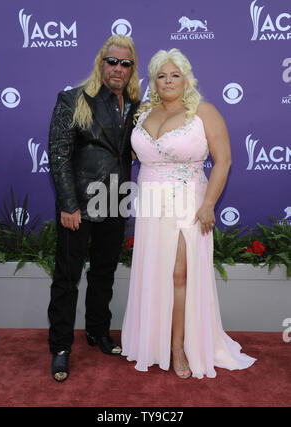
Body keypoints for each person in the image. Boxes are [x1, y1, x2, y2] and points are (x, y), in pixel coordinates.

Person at [121, 48, 256, 379]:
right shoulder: (141, 114)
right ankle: (153, 341)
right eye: (161, 75)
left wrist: (208, 203)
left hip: (189, 204)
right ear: (153, 81)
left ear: (186, 79)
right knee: (154, 273)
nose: (168, 81)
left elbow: (223, 161)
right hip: (151, 205)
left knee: (180, 274)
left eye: (174, 75)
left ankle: (179, 346)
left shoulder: (204, 112)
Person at [47, 35, 140, 382]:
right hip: (80, 206)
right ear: (101, 62)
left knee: (104, 273)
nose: (118, 68)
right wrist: (69, 204)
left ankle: (98, 331)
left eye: (125, 63)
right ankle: (60, 348)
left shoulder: (134, 105)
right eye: (112, 61)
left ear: (132, 68)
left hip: (115, 201)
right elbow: (58, 154)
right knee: (67, 278)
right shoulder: (73, 99)